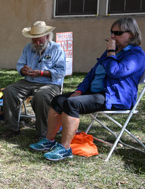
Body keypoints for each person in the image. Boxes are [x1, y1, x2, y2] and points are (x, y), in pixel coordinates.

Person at [30, 17, 145, 161]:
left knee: (72, 104)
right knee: (59, 100)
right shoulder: (112, 51)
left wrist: (110, 52)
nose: (112, 36)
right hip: (95, 93)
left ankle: (65, 148)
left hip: (114, 97)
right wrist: (79, 91)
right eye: (111, 32)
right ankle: (49, 140)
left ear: (132, 34)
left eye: (118, 33)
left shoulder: (136, 55)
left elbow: (115, 72)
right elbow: (92, 74)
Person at [2, 21, 66, 138]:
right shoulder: (28, 48)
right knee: (9, 91)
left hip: (50, 84)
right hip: (29, 81)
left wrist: (42, 73)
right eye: (34, 40)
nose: (37, 43)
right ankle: (13, 128)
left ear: (47, 37)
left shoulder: (57, 49)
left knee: (41, 96)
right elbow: (20, 65)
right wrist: (23, 70)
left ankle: (43, 133)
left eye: (40, 40)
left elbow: (61, 72)